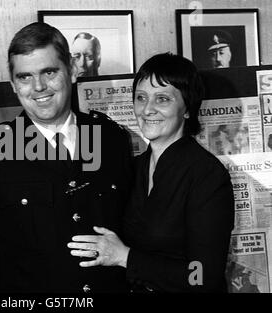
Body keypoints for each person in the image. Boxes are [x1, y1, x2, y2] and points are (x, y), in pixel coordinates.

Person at [0, 22, 133, 293]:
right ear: (13, 85)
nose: (38, 87)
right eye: (24, 77)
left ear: (72, 71)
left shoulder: (111, 138)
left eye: (49, 72)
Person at [68, 53, 234, 292]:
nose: (147, 109)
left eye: (162, 99)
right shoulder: (134, 167)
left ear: (187, 108)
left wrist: (125, 257)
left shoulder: (207, 175)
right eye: (141, 98)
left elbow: (203, 276)